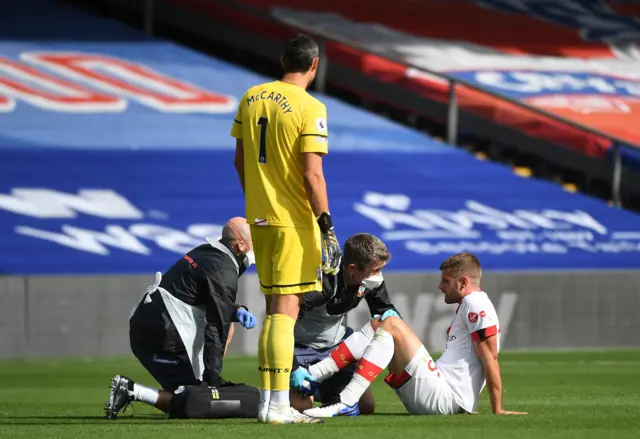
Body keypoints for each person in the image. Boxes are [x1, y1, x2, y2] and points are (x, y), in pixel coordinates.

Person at [230, 33, 341, 424]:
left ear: (282, 61)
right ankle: (278, 406)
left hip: (259, 218)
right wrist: (325, 222)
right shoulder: (311, 107)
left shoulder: (251, 96)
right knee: (285, 311)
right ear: (314, 65)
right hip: (293, 221)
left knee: (273, 307)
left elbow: (240, 160)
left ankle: (269, 401)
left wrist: (258, 200)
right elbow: (313, 174)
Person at [303, 252, 528, 417]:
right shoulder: (470, 303)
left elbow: (490, 358)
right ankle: (315, 375)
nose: (441, 286)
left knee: (391, 322)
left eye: (446, 281)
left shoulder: (475, 303)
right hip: (439, 392)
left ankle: (344, 399)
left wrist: (497, 408)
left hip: (446, 398)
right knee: (379, 324)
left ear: (463, 282)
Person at [104, 217, 258, 419]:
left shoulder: (207, 251)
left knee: (197, 395)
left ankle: (195, 384)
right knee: (200, 402)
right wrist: (213, 381)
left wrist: (236, 310)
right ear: (240, 246)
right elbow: (216, 327)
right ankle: (133, 390)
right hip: (165, 334)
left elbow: (202, 298)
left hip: (147, 325)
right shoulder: (224, 269)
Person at [288, 233, 400, 416]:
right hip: (301, 349)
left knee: (366, 406)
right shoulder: (321, 284)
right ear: (352, 268)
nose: (378, 276)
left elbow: (384, 310)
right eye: (375, 270)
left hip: (338, 349)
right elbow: (283, 324)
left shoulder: (370, 280)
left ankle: (323, 387)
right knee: (301, 407)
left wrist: (391, 315)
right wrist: (293, 368)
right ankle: (305, 388)